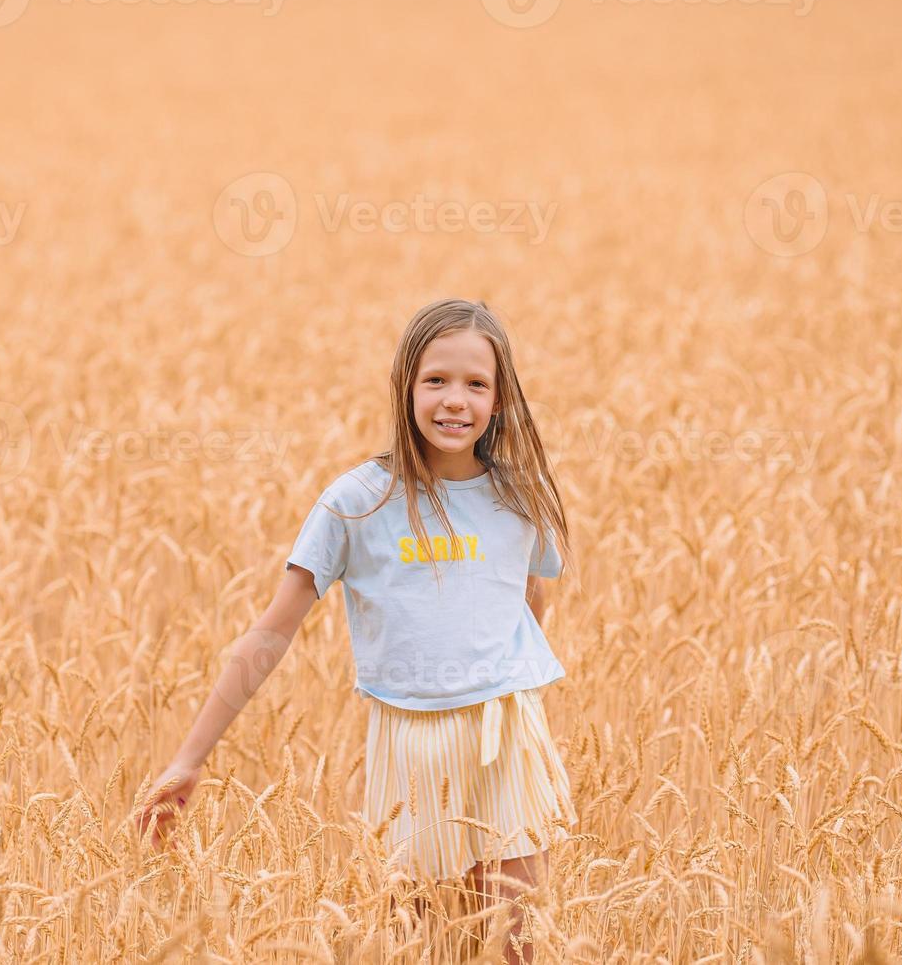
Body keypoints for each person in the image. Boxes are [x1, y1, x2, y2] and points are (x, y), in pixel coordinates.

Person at [134, 297, 581, 963]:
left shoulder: (521, 496)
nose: (455, 400)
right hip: (407, 741)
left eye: (476, 384)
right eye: (436, 380)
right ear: (405, 387)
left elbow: (528, 585)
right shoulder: (358, 501)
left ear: (500, 398)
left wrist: (507, 667)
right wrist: (188, 758)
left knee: (513, 941)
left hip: (507, 730)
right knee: (422, 943)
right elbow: (270, 634)